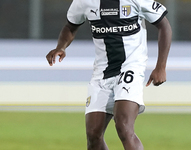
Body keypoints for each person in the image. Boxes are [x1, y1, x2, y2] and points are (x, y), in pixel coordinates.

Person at [46, 0, 172, 149]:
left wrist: (161, 67)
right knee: (93, 135)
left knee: (124, 126)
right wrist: (61, 47)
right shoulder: (84, 1)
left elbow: (164, 25)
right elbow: (70, 27)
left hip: (130, 67)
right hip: (101, 72)